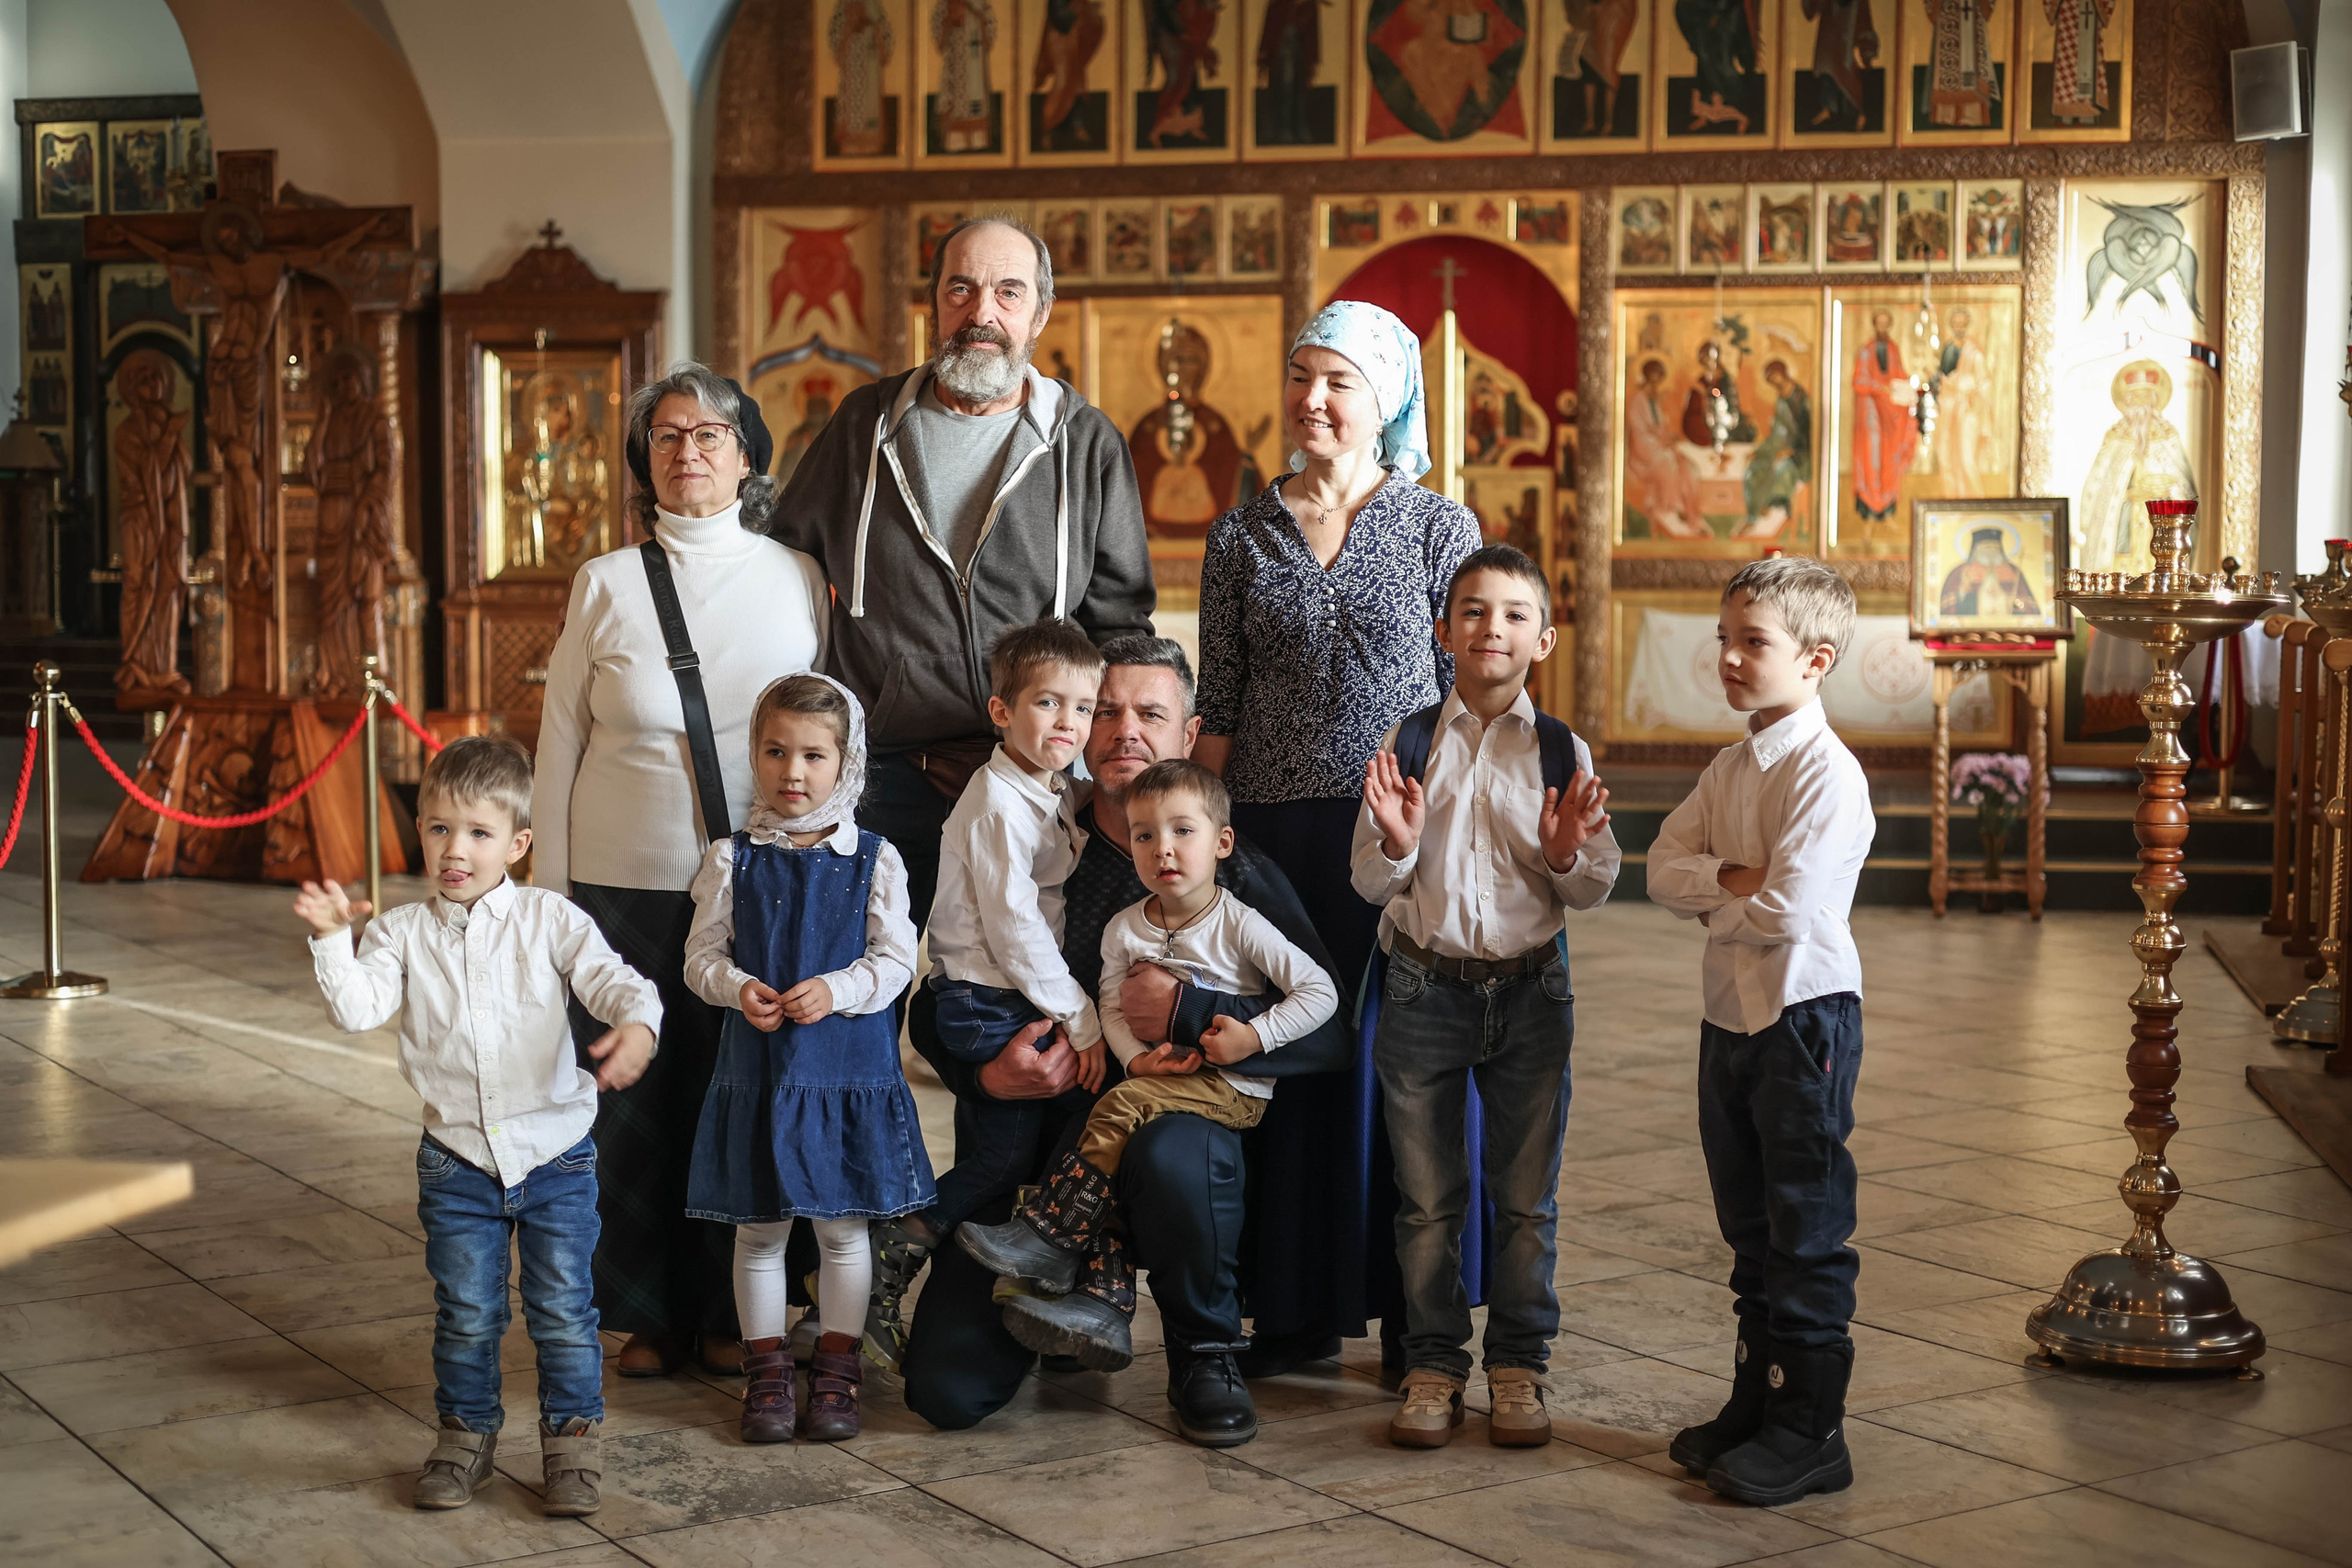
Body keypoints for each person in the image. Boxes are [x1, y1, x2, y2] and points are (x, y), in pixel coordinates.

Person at [899, 636, 1356, 1446]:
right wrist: (983, 1077)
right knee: (946, 1391)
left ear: (1190, 734)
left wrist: (1190, 1012)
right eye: (1103, 710)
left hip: (1171, 1139)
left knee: (1178, 1150)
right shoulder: (1035, 828)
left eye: (1150, 712)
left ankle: (1202, 1350)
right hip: (1036, 1144)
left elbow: (1331, 1029)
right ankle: (1058, 1301)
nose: (1124, 730)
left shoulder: (1229, 867)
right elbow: (942, 989)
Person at [1195, 299, 1479, 1371]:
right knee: (1288, 1063)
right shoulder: (1240, 534)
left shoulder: (1439, 528)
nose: (1312, 399)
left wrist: (1449, 842)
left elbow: (1466, 703)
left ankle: (1417, 1319)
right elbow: (1220, 700)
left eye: (1339, 382)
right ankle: (1295, 1309)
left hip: (1398, 840)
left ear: (1387, 398)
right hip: (1273, 843)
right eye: (1300, 376)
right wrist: (1198, 842)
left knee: (1400, 1070)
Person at [534, 364, 831, 1382]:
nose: (688, 450)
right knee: (633, 1106)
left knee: (740, 1098)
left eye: (710, 434)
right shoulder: (605, 582)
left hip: (760, 883)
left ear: (748, 457)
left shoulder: (796, 577)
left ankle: (730, 1313)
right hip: (622, 885)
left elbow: (829, 731)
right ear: (644, 461)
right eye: (666, 435)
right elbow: (558, 744)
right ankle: (647, 1314)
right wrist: (552, 911)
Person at [294, 738, 661, 1517]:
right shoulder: (398, 932)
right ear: (420, 831)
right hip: (456, 1161)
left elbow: (613, 979)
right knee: (467, 1314)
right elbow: (358, 1009)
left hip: (555, 1157)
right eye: (438, 828)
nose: (454, 849)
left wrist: (637, 1024)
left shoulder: (549, 918)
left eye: (478, 832)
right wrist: (331, 937)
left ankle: (573, 1446)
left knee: (563, 1313)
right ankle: (465, 1438)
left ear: (518, 843)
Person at [774, 216, 1152, 932]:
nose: (983, 312)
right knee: (861, 976)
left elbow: (1120, 623)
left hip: (1031, 775)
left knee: (1011, 979)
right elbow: (782, 571)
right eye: (961, 289)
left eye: (1009, 292)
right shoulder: (863, 426)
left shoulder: (1085, 441)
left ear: (1039, 313)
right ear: (935, 305)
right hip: (882, 774)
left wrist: (1112, 764)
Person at [1352, 547, 1620, 1450]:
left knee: (1525, 1199)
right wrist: (1397, 844)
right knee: (1426, 1200)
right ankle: (1432, 1364)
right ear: (1444, 630)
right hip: (1424, 987)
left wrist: (1564, 855)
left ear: (1543, 638)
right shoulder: (1408, 741)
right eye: (1471, 610)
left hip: (1531, 992)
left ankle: (1518, 1364)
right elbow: (1367, 879)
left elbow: (1593, 884)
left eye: (1513, 614)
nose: (1490, 628)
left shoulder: (1560, 750)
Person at [957, 759, 1338, 1368]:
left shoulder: (1240, 922)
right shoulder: (1123, 929)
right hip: (1160, 1081)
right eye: (1145, 835)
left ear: (1222, 842)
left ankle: (1052, 1234)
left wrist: (1253, 1036)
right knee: (1118, 1142)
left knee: (1116, 1110)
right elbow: (1110, 1007)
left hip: (1232, 1088)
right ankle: (1101, 1297)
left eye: (1183, 831)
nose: (1163, 848)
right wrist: (1136, 1061)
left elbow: (1321, 993)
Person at [1646, 556, 1873, 1507]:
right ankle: (1757, 1400)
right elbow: (1660, 870)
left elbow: (1789, 911)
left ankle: (1810, 1429)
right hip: (1727, 1017)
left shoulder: (1828, 775)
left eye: (1754, 642)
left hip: (1802, 1016)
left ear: (1815, 659)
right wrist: (1735, 879)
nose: (1731, 658)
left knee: (1804, 1226)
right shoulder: (1729, 768)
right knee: (1749, 1228)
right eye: (1724, 639)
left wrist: (1727, 888)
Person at [682, 675, 928, 1445]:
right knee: (758, 1232)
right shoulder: (732, 858)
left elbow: (896, 961)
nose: (793, 770)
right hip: (759, 1073)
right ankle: (765, 1376)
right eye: (776, 750)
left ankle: (837, 1371)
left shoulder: (876, 859)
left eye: (814, 755)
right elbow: (700, 957)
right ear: (754, 754)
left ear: (846, 762)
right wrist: (736, 986)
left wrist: (837, 987)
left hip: (843, 1073)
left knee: (841, 1230)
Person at [861, 620, 1108, 1366]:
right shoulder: (998, 800)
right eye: (1048, 703)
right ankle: (892, 1251)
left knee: (1023, 1146)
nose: (1068, 723)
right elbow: (1014, 928)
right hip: (986, 998)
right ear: (1002, 711)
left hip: (1002, 992)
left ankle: (1039, 1270)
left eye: (1083, 708)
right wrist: (1081, 1018)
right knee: (1002, 1160)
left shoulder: (1043, 785)